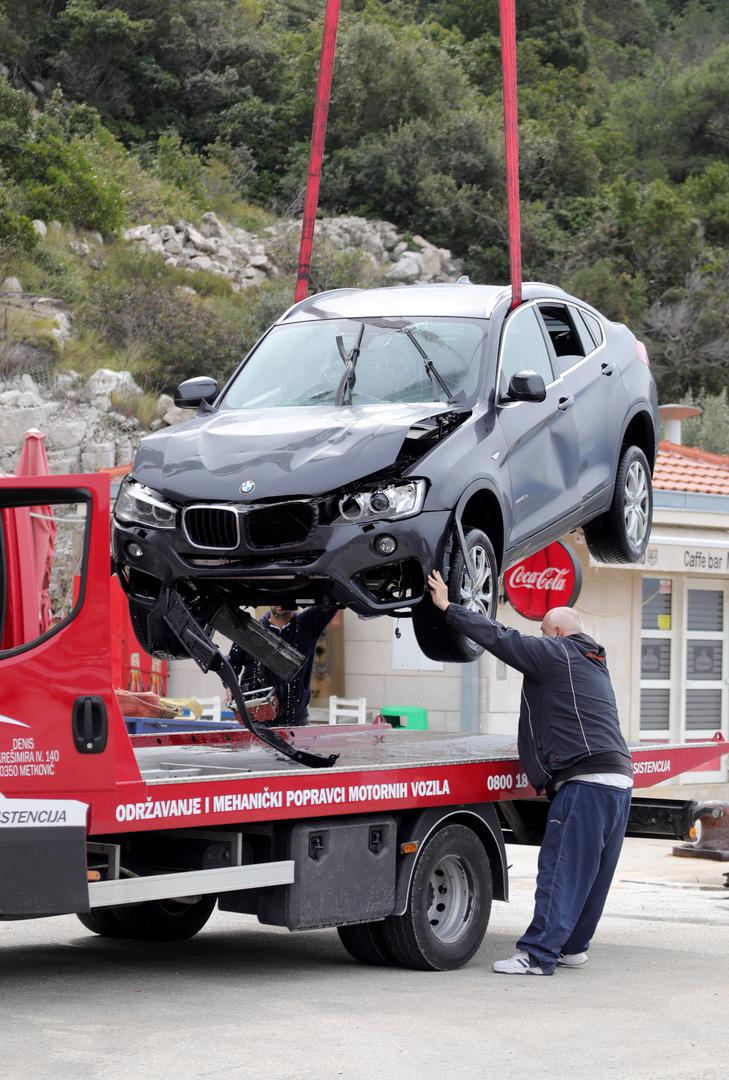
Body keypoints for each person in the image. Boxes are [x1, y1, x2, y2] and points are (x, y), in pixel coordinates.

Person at [427, 569, 633, 977]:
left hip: (586, 782)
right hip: (619, 781)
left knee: (560, 869)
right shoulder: (595, 663)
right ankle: (572, 947)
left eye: (542, 630)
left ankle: (538, 954)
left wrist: (449, 607)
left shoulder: (558, 653)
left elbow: (502, 639)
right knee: (592, 873)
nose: (538, 636)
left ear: (556, 632)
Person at [227, 605, 336, 727]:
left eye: (283, 595)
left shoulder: (307, 623)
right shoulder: (250, 631)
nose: (278, 602)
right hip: (257, 722)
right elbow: (231, 665)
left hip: (296, 721)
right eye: (274, 595)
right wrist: (229, 685)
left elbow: (332, 602)